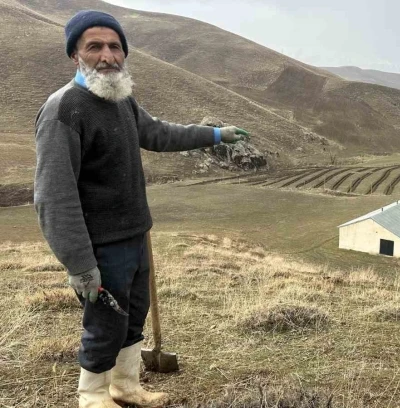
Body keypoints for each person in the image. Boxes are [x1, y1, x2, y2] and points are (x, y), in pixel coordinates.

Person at [34, 10, 249, 408]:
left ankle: (125, 385)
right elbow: (53, 196)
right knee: (105, 322)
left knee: (133, 313)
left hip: (135, 233)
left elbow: (156, 132)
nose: (107, 56)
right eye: (94, 46)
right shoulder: (64, 110)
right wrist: (80, 264)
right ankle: (93, 395)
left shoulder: (120, 97)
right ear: (74, 55)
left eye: (115, 46)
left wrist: (215, 134)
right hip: (100, 242)